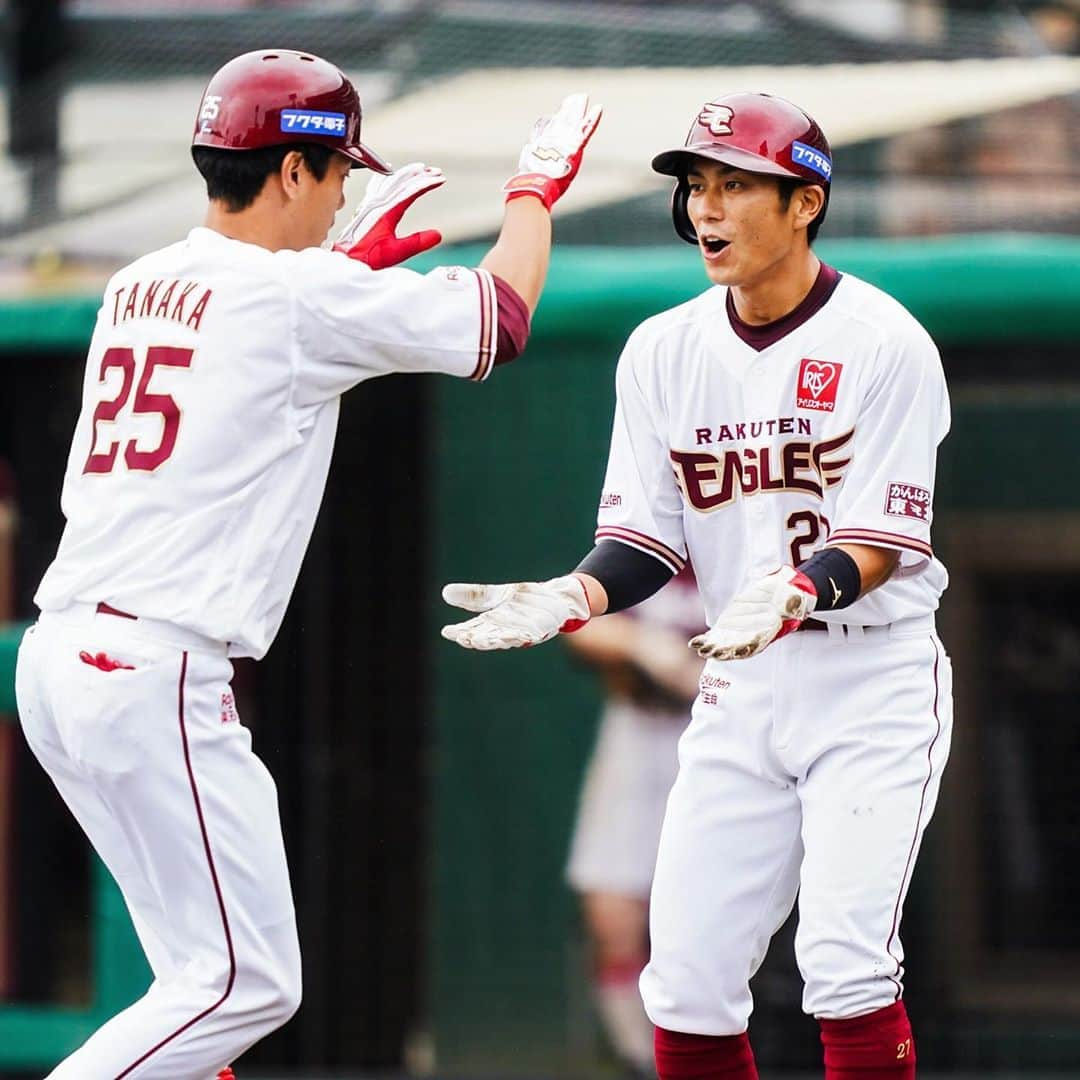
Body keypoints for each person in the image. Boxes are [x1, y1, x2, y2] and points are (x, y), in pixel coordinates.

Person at [14, 48, 600, 1078]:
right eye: (335, 176)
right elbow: (501, 318)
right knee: (249, 986)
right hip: (155, 670)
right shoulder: (299, 297)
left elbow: (249, 362)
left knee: (196, 989)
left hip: (62, 662)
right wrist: (531, 193)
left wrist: (344, 273)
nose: (341, 199)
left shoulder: (136, 282)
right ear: (291, 171)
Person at [442, 92, 952, 1079]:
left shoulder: (885, 341)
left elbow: (884, 537)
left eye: (736, 185)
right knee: (683, 981)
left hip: (871, 679)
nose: (706, 209)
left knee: (843, 969)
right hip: (739, 684)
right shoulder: (663, 349)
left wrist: (803, 589)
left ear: (805, 202)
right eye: (696, 186)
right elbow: (640, 537)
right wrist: (575, 595)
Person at [564, 566, 704, 1077]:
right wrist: (643, 644)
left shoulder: (755, 542)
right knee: (612, 913)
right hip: (636, 731)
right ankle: (641, 1060)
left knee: (710, 923)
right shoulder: (642, 549)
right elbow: (577, 625)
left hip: (717, 737)